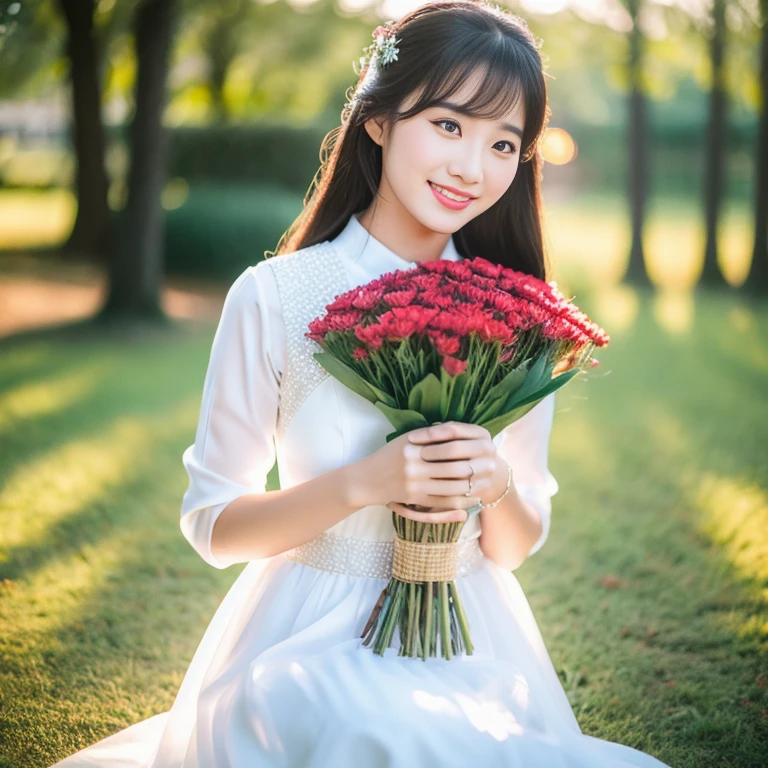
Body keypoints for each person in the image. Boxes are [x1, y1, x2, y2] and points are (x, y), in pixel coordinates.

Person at [52, 2, 673, 766]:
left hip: (474, 644)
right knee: (372, 734)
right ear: (378, 120)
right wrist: (364, 483)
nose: (471, 167)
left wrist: (496, 484)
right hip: (304, 641)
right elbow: (213, 527)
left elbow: (514, 546)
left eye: (503, 142)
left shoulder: (516, 310)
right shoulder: (276, 297)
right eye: (448, 125)